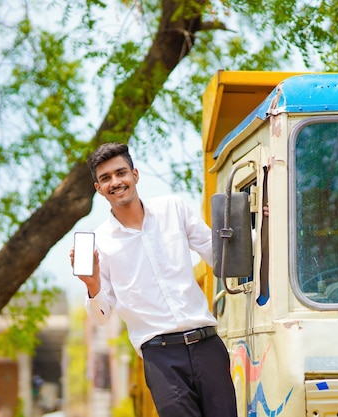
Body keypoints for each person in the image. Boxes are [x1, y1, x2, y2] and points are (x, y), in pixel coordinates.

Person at [70, 142, 237, 417]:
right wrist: (92, 283)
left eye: (120, 173)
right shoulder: (101, 242)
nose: (115, 182)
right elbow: (101, 317)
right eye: (106, 178)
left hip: (207, 346)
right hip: (161, 358)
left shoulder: (174, 209)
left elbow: (219, 254)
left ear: (135, 174)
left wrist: (257, 228)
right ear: (98, 188)